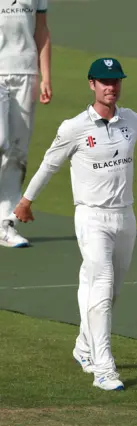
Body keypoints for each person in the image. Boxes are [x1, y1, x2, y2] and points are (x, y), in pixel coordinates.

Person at [12, 57, 137, 390]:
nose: (111, 86)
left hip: (125, 217)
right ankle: (104, 369)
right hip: (91, 217)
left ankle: (84, 348)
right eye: (104, 81)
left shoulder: (128, 119)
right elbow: (48, 165)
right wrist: (26, 201)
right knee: (101, 288)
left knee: (109, 291)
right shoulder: (74, 127)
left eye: (115, 80)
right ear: (92, 84)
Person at [0, 0, 52, 247]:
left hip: (26, 72)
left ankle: (5, 224)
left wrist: (45, 76)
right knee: (1, 141)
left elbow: (41, 29)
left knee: (17, 152)